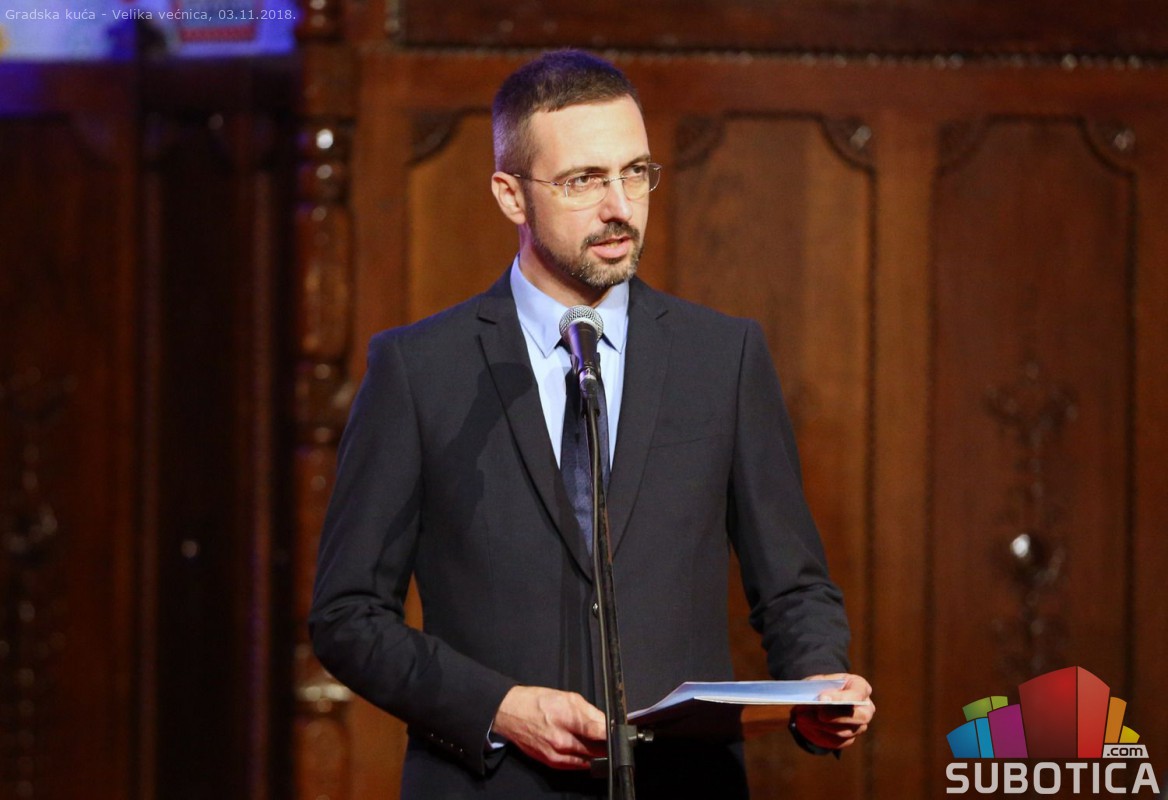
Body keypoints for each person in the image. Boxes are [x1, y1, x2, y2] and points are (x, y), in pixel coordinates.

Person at [309, 49, 875, 799]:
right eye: (583, 180)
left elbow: (793, 585)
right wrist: (500, 708)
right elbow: (347, 615)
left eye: (635, 172)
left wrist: (818, 687)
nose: (620, 207)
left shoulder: (724, 356)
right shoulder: (419, 370)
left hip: (682, 785)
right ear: (511, 195)